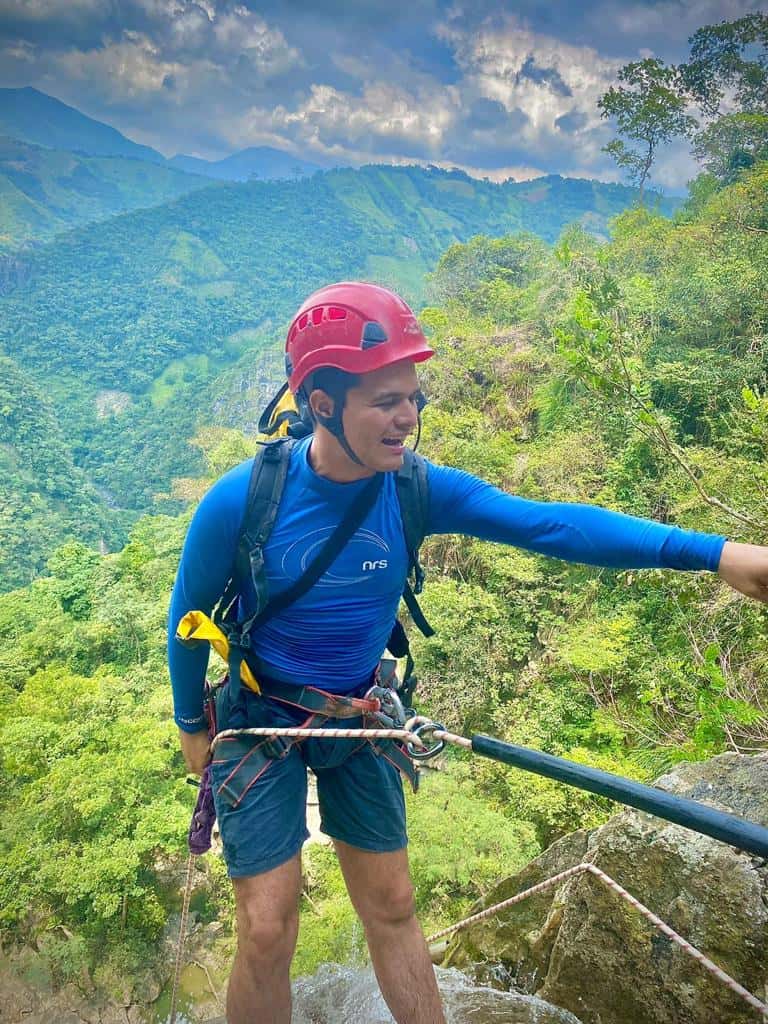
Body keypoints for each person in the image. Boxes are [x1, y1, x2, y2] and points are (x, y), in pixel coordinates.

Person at [168, 281, 768, 1024]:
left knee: (393, 905)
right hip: (259, 714)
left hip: (359, 711)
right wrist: (190, 725)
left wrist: (715, 554)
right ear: (322, 403)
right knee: (266, 929)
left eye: (413, 397)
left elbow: (552, 526)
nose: (409, 417)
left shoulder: (415, 490)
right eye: (386, 400)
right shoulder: (243, 500)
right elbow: (187, 615)